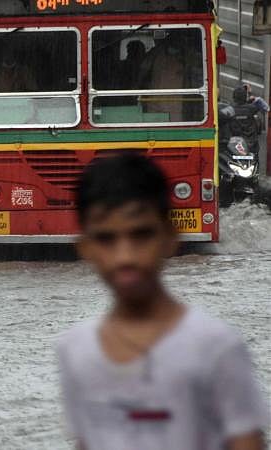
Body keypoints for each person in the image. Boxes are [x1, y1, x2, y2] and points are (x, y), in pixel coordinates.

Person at [58, 154, 269, 450]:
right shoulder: (74, 350)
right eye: (106, 239)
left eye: (141, 235)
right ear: (85, 247)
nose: (125, 257)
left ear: (171, 236)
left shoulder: (218, 347)